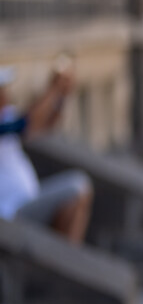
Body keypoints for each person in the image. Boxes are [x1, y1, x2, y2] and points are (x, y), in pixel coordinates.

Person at [0, 63, 93, 244]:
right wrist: (53, 89)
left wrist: (61, 96)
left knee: (77, 191)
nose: (5, 95)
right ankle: (67, 260)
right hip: (11, 212)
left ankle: (68, 257)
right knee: (76, 187)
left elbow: (45, 125)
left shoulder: (5, 115)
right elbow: (26, 123)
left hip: (27, 200)